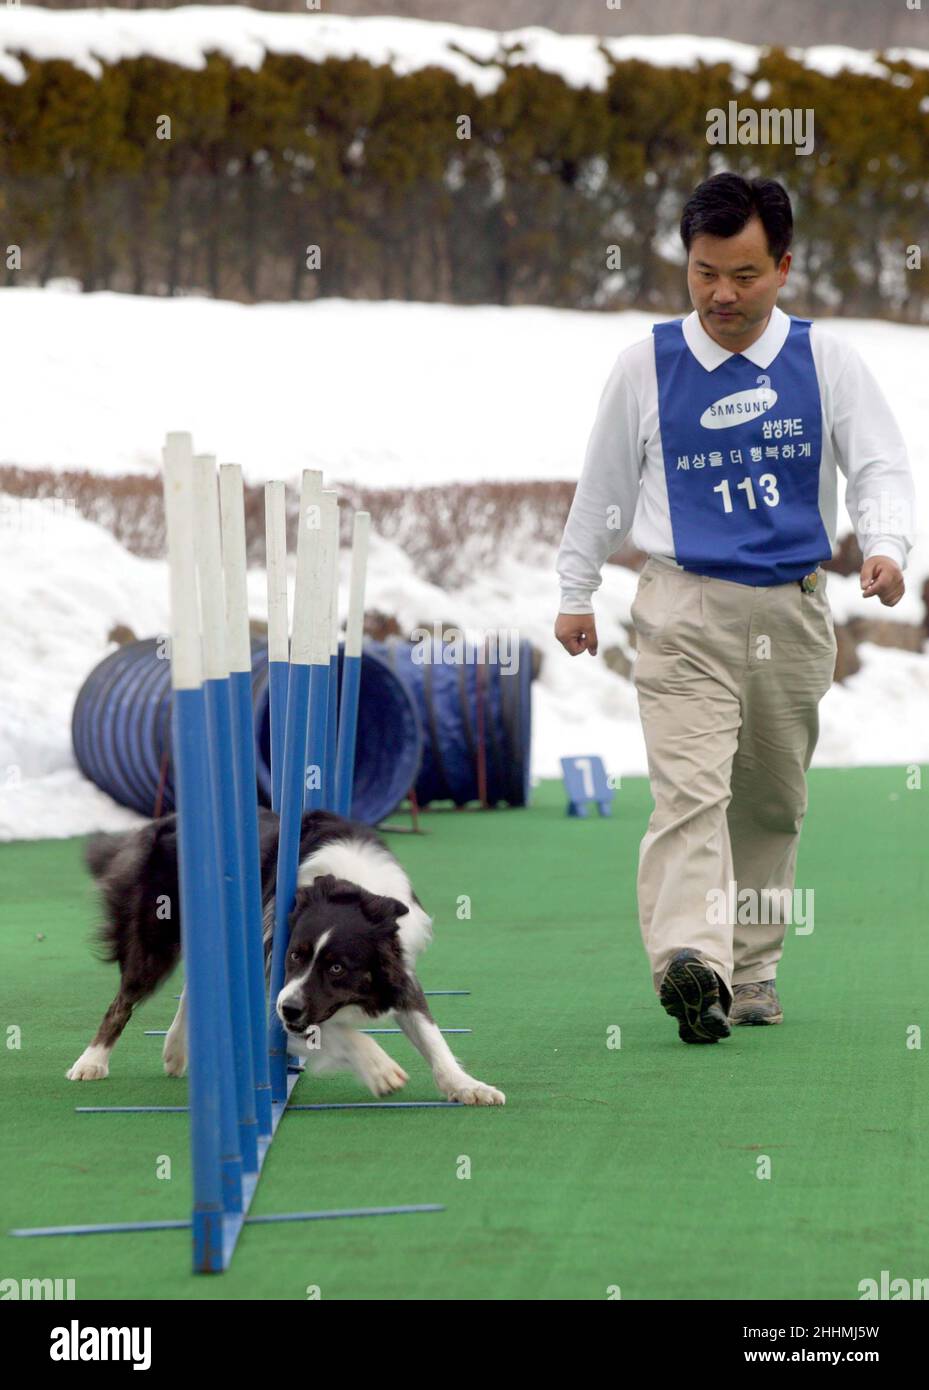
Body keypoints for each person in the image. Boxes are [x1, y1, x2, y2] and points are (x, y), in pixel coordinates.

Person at [554, 172, 916, 1044]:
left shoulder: (826, 360)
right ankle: (692, 961)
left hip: (791, 613)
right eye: (704, 272)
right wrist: (575, 589)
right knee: (688, 793)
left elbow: (878, 467)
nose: (721, 293)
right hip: (680, 609)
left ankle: (750, 970)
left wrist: (885, 546)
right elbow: (603, 487)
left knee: (768, 803)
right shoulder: (645, 363)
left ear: (783, 267)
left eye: (743, 275)